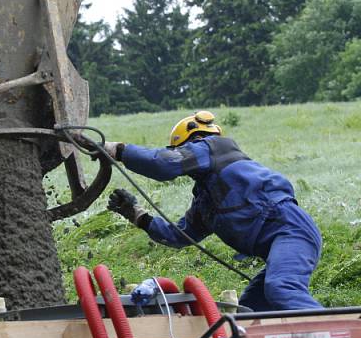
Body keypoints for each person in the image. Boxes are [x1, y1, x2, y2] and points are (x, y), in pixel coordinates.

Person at [103, 110, 322, 312]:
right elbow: (179, 236)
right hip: (282, 239)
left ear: (195, 140)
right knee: (251, 309)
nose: (185, 157)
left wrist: (120, 150)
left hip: (291, 230)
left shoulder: (214, 147)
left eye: (184, 150)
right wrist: (138, 216)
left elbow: (164, 164)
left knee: (281, 288)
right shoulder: (207, 202)